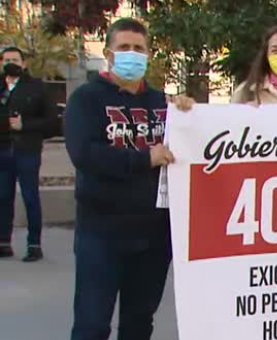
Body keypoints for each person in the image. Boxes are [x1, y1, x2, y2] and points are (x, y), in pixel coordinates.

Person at [64, 18, 193, 340]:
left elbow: (193, 146)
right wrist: (144, 157)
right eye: (124, 48)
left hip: (153, 236)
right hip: (101, 233)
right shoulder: (86, 99)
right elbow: (85, 154)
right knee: (92, 325)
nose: (132, 54)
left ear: (149, 55)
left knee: (138, 323)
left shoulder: (163, 104)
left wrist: (193, 115)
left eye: (139, 48)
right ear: (109, 54)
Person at [0, 46, 57, 262]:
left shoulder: (37, 88)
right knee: (3, 197)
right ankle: (4, 243)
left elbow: (52, 122)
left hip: (27, 150)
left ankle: (34, 245)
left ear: (24, 63)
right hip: (2, 150)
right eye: (6, 59)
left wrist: (25, 125)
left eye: (14, 59)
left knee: (30, 197)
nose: (10, 63)